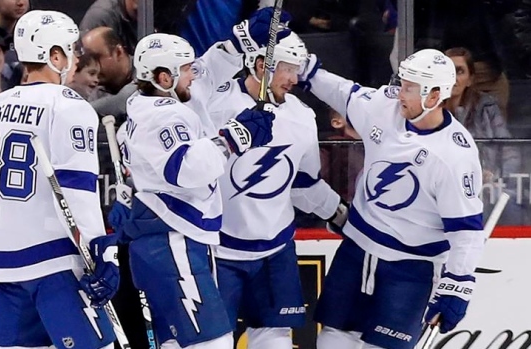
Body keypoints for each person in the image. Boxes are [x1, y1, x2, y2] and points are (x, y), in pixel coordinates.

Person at [298, 48, 485, 349]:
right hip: (357, 251)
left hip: (411, 268)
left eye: (411, 87)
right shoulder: (386, 107)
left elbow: (466, 231)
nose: (400, 93)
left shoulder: (454, 155)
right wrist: (306, 68)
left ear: (435, 95)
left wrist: (458, 285)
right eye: (403, 83)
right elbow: (343, 93)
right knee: (332, 340)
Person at [115, 29, 277, 348]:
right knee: (212, 342)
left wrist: (241, 41)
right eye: (186, 68)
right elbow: (184, 169)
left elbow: (206, 73)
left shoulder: (144, 103)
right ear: (164, 77)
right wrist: (235, 137)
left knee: (176, 343)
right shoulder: (164, 116)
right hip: (172, 242)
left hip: (164, 241)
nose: (194, 73)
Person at [0, 10, 120, 348]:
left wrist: (11, 227)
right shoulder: (69, 106)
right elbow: (77, 190)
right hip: (54, 262)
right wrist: (99, 253)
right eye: (71, 49)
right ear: (54, 55)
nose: (76, 58)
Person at [203, 32, 348, 349]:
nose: (295, 79)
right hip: (218, 251)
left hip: (275, 251)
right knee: (212, 343)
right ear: (259, 65)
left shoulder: (301, 117)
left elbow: (302, 184)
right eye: (288, 69)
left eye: (297, 70)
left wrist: (340, 214)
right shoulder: (215, 104)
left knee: (276, 341)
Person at [444, 47, 521, 182]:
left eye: (459, 71)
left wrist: (497, 178)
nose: (453, 78)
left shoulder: (487, 108)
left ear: (470, 79)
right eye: (448, 72)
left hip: (485, 188)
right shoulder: (428, 110)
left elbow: (510, 152)